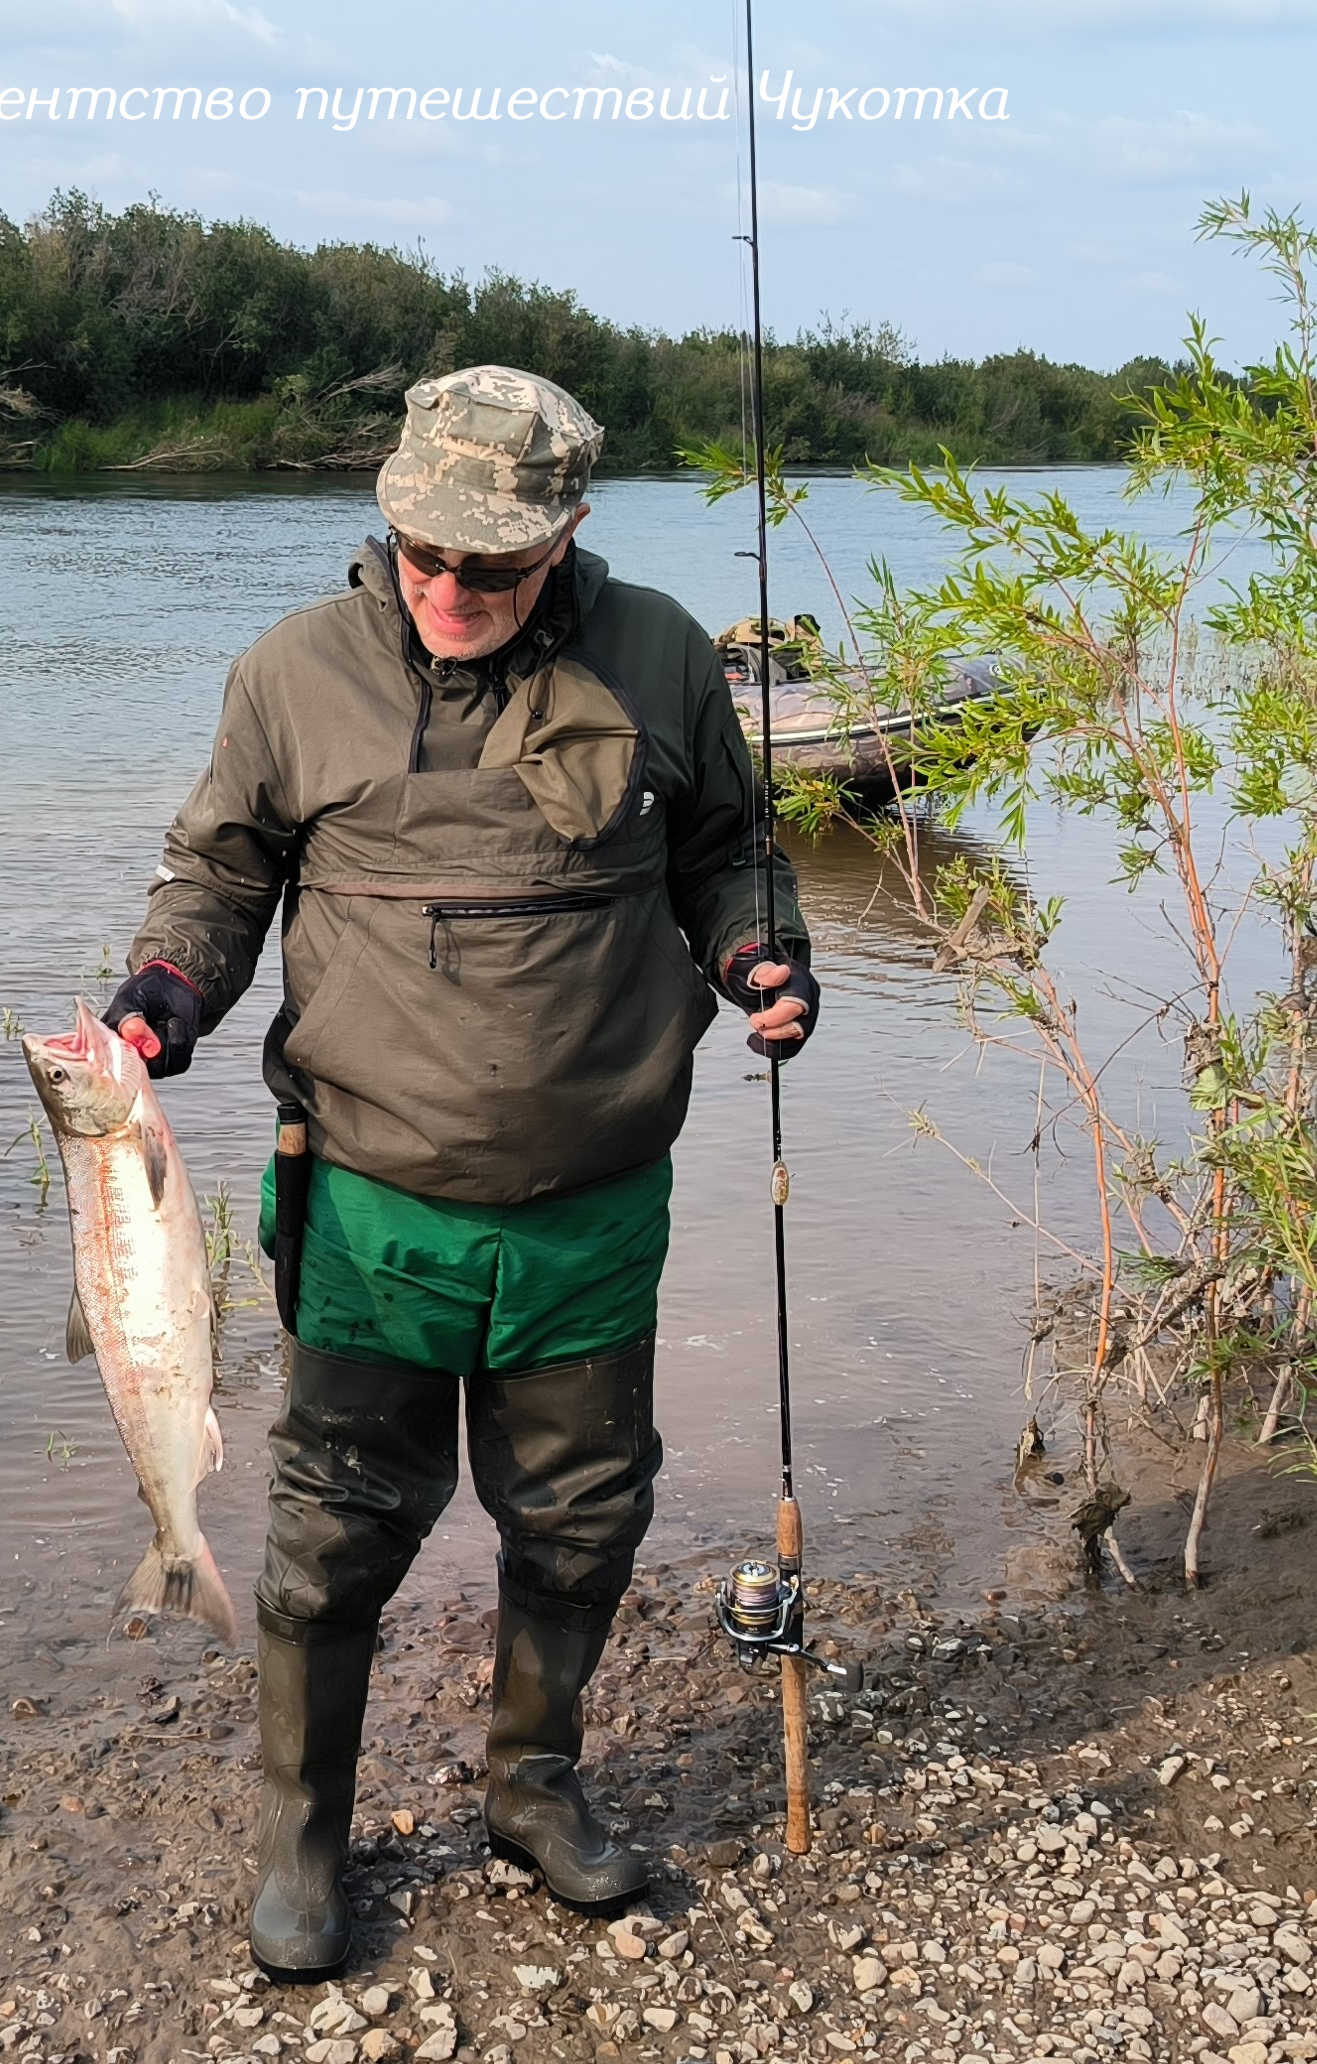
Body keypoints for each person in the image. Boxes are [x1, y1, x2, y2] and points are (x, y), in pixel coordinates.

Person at [102, 364, 818, 1982]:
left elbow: (728, 850)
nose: (447, 588)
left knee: (579, 1515)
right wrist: (164, 990)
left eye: (488, 562)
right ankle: (302, 1833)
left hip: (592, 1195)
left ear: (566, 528)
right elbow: (217, 872)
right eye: (421, 550)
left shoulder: (656, 657)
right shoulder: (295, 671)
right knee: (334, 1526)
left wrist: (761, 949)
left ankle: (531, 1781)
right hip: (369, 1197)